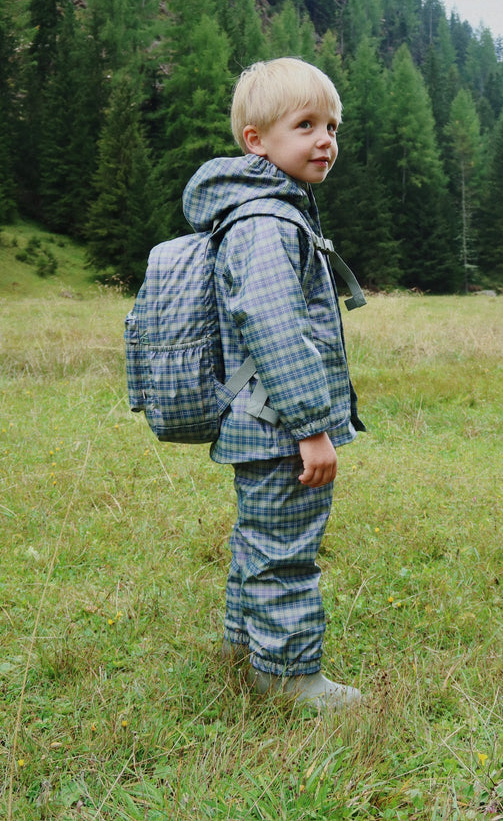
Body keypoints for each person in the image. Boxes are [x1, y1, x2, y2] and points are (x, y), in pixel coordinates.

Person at [182, 57, 365, 709]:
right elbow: (273, 326)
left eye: (333, 127)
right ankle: (290, 678)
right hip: (280, 426)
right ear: (257, 140)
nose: (326, 141)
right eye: (306, 124)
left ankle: (244, 650)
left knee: (258, 541)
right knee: (285, 551)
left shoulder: (263, 210)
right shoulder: (265, 221)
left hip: (259, 421)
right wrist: (312, 428)